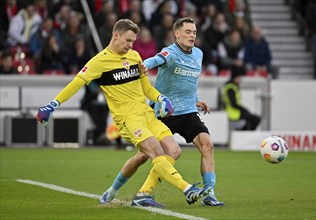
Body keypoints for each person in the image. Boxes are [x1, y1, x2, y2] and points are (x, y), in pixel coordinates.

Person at [36, 19, 210, 206]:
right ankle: (186, 188)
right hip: (127, 119)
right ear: (116, 35)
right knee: (156, 151)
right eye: (128, 40)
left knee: (173, 151)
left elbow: (146, 88)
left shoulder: (134, 56)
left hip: (146, 113)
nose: (130, 45)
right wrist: (52, 104)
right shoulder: (99, 62)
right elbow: (76, 84)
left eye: (133, 41)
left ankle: (113, 189)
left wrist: (161, 98)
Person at [99, 17, 224, 207]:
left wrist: (196, 99)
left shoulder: (198, 54)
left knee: (207, 146)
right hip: (165, 112)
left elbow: (190, 80)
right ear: (177, 34)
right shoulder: (170, 52)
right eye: (188, 32)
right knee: (143, 156)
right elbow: (157, 59)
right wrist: (144, 66)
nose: (192, 35)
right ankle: (113, 189)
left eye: (194, 32)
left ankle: (208, 193)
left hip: (188, 111)